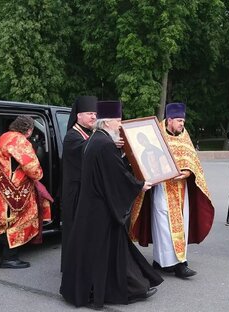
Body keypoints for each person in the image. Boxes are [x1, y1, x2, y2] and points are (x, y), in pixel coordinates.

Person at [60, 101, 163, 310]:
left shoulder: (95, 140)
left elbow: (108, 174)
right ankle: (124, 289)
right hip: (101, 210)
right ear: (107, 122)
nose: (120, 124)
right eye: (118, 120)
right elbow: (117, 176)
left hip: (94, 207)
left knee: (106, 251)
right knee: (104, 252)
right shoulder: (104, 144)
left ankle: (131, 286)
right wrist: (140, 185)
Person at [130, 102, 215, 278]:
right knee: (162, 226)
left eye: (183, 121)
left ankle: (179, 263)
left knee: (180, 225)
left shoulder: (184, 136)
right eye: (179, 121)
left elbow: (193, 161)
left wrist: (186, 173)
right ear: (169, 120)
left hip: (180, 189)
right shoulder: (156, 134)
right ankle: (163, 261)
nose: (182, 124)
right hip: (161, 188)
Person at [0, 115, 51, 269]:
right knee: (16, 222)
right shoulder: (19, 141)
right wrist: (39, 175)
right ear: (29, 130)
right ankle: (9, 258)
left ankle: (5, 252)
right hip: (16, 190)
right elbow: (33, 168)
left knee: (3, 221)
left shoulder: (3, 137)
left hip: (0, 187)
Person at [60, 95, 97, 272]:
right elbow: (88, 153)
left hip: (85, 192)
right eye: (90, 113)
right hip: (74, 193)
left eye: (95, 114)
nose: (94, 117)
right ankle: (72, 269)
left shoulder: (89, 134)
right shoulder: (72, 137)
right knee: (75, 231)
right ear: (78, 116)